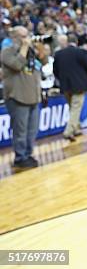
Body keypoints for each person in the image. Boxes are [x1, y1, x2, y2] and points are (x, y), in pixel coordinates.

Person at [1, 26, 45, 168]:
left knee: (32, 130)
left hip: (33, 96)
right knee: (20, 130)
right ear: (14, 37)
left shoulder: (31, 52)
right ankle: (20, 157)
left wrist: (40, 48)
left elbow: (41, 64)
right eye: (23, 36)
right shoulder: (6, 52)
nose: (27, 39)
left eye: (27, 35)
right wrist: (25, 48)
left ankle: (28, 153)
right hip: (17, 97)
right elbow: (17, 65)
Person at [53, 34, 87, 141]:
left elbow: (55, 71)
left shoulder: (58, 54)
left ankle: (77, 128)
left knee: (72, 108)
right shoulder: (80, 52)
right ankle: (68, 131)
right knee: (75, 109)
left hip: (65, 86)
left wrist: (62, 80)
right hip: (79, 85)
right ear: (77, 42)